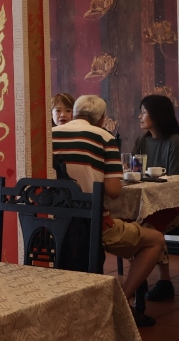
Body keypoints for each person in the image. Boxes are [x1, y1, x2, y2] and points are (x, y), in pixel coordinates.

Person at [52, 94, 165, 327]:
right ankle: (121, 302)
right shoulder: (104, 137)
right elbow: (113, 191)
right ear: (102, 119)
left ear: (74, 113)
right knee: (155, 240)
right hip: (92, 225)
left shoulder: (50, 135)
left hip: (53, 224)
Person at [132, 94, 179, 302]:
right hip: (149, 203)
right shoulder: (142, 141)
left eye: (144, 112)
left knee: (148, 227)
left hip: (176, 204)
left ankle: (164, 281)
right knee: (131, 224)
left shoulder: (175, 142)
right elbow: (134, 172)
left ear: (158, 115)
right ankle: (139, 277)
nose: (140, 116)